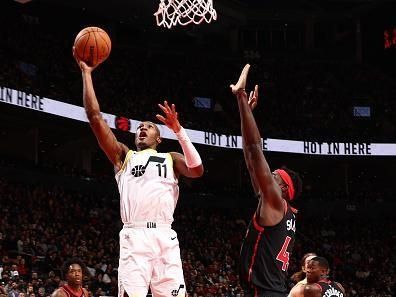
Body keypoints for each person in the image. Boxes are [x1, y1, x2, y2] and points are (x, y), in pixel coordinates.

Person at [73, 48, 204, 297]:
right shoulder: (124, 156)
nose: (142, 129)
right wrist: (86, 74)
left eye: (149, 127)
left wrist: (179, 130)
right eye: (140, 127)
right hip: (135, 235)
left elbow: (197, 170)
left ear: (159, 137)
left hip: (165, 235)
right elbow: (94, 117)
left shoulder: (171, 158)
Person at [230, 64, 303, 297]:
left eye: (272, 177)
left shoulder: (275, 202)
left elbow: (254, 149)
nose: (267, 176)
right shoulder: (280, 208)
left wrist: (241, 97)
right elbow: (250, 160)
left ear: (282, 188)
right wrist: (247, 114)